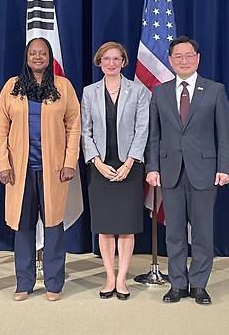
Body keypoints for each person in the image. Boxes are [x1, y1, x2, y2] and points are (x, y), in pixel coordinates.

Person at [145, 36, 229, 305]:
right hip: (170, 170)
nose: (184, 61)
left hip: (205, 170)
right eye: (178, 57)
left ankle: (199, 284)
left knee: (203, 231)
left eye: (189, 56)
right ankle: (178, 284)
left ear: (198, 58)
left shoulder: (215, 90)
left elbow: (224, 134)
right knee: (174, 232)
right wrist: (152, 167)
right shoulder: (160, 92)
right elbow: (154, 135)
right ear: (171, 61)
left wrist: (225, 167)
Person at [0, 37, 81, 302]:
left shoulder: (63, 87)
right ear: (26, 57)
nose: (38, 57)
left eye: (43, 53)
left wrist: (69, 162)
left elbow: (74, 125)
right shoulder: (12, 86)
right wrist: (3, 164)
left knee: (54, 226)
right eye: (33, 53)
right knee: (23, 228)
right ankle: (24, 283)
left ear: (50, 56)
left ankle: (54, 284)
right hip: (20, 172)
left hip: (54, 170)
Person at [81, 42, 150, 300]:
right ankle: (109, 276)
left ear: (124, 62)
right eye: (106, 59)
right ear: (99, 62)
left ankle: (122, 279)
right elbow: (84, 131)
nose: (111, 63)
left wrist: (130, 162)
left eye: (116, 58)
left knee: (126, 225)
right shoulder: (89, 92)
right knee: (106, 226)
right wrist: (96, 162)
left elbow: (143, 129)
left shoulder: (139, 92)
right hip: (99, 166)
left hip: (129, 166)